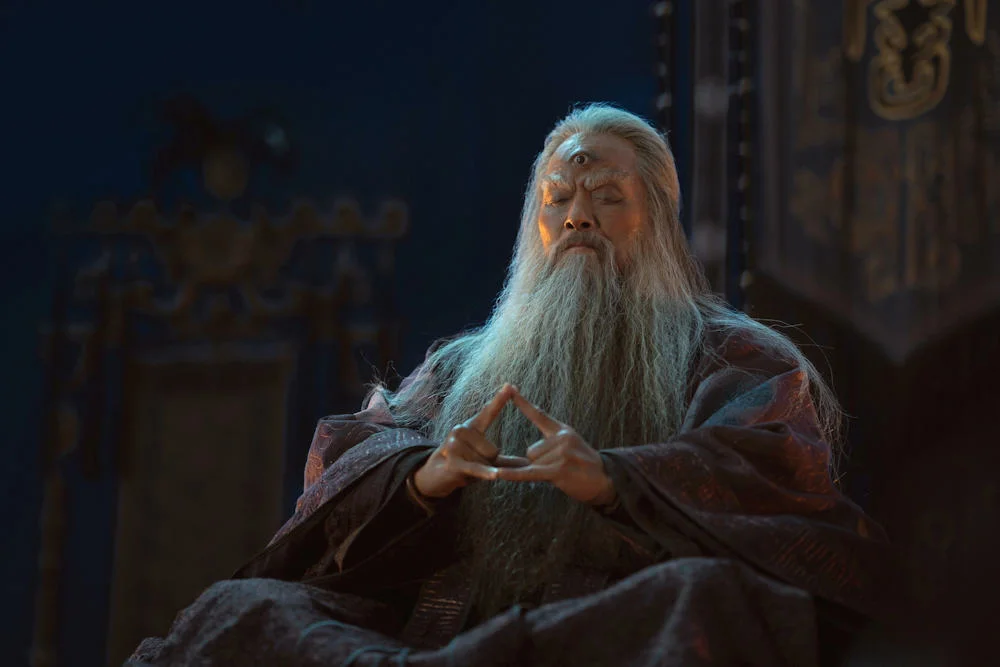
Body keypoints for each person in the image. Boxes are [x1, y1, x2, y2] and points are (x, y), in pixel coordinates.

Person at [128, 104, 893, 666]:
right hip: (441, 626)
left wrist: (617, 480)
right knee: (243, 610)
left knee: (697, 600)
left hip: (601, 628)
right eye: (558, 199)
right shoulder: (463, 365)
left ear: (658, 218)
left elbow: (770, 475)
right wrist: (423, 476)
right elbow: (346, 466)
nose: (579, 217)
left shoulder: (734, 354)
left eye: (607, 197)